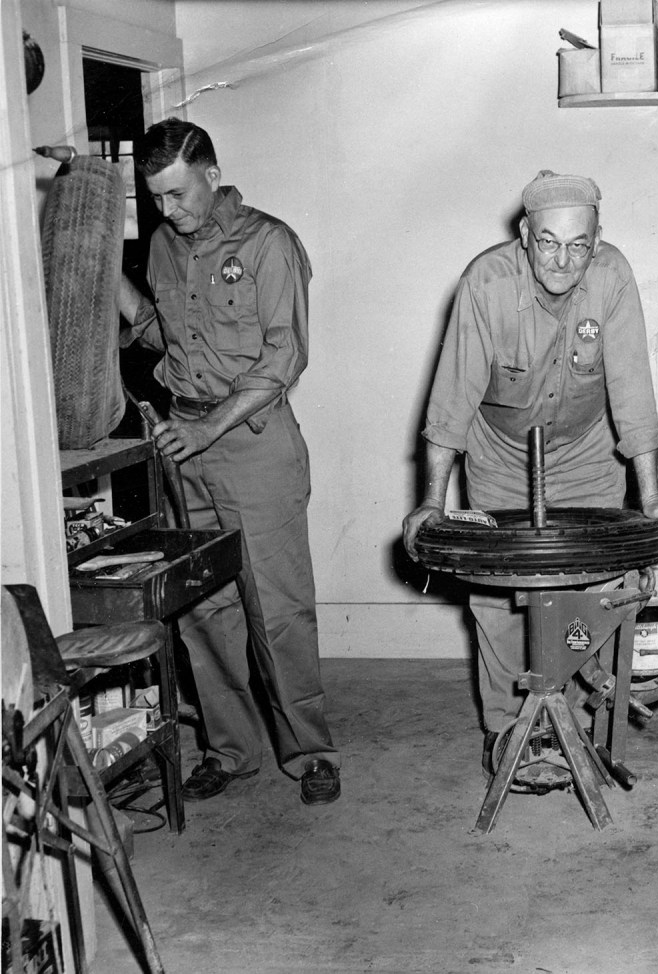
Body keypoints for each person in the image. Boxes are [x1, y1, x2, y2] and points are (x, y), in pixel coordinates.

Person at [401, 170, 658, 770]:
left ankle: (575, 721)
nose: (562, 260)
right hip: (501, 453)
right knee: (499, 592)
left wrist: (651, 496)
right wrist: (431, 502)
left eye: (578, 245)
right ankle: (508, 728)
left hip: (587, 450)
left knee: (598, 584)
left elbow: (634, 390)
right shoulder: (486, 283)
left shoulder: (613, 277)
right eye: (549, 242)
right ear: (526, 234)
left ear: (596, 240)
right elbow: (451, 402)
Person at [117, 118, 340, 804]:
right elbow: (163, 336)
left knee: (277, 609)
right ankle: (231, 751)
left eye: (178, 193)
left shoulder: (269, 243)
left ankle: (310, 754)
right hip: (184, 445)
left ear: (212, 176)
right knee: (203, 608)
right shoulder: (163, 245)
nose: (168, 210)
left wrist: (208, 427)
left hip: (252, 444)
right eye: (156, 197)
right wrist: (112, 285)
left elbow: (285, 356)